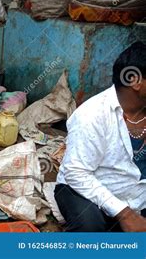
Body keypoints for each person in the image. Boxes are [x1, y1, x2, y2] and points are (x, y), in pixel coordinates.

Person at [55, 42, 146, 232]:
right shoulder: (93, 114)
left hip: (136, 193)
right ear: (135, 81)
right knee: (91, 228)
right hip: (82, 188)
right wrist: (125, 213)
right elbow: (76, 173)